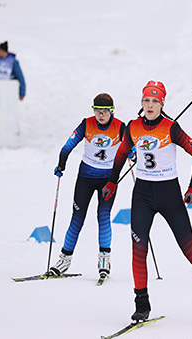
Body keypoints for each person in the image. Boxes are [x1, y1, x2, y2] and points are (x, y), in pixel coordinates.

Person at [102, 81, 192, 323]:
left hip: (169, 195)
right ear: (141, 103)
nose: (150, 105)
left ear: (162, 103)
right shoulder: (132, 127)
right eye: (146, 100)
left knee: (190, 250)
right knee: (138, 250)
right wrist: (112, 182)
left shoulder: (171, 128)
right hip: (142, 195)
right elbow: (122, 154)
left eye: (155, 101)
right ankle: (141, 303)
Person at [49, 93, 131, 280]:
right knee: (77, 217)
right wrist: (62, 163)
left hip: (108, 180)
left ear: (112, 112)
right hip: (85, 177)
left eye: (104, 111)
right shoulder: (87, 124)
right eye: (97, 111)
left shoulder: (120, 127)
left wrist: (132, 153)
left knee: (103, 217)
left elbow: (130, 147)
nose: (100, 115)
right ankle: (64, 260)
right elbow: (68, 145)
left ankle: (104, 260)